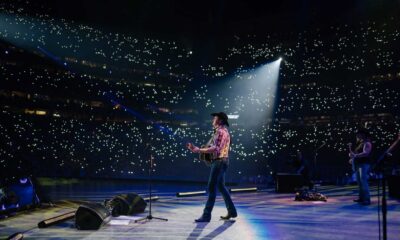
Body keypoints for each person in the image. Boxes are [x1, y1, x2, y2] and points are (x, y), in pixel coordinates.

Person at [187, 112, 237, 222]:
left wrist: (198, 150)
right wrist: (199, 149)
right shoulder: (226, 132)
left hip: (219, 162)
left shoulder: (219, 131)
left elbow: (216, 148)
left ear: (220, 120)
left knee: (211, 187)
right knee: (221, 187)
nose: (213, 120)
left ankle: (206, 215)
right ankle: (232, 211)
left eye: (215, 118)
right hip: (223, 161)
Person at [349, 129, 372, 205]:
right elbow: (357, 154)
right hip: (359, 164)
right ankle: (362, 197)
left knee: (363, 181)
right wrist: (352, 158)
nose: (357, 136)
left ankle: (367, 199)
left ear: (363, 135)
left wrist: (355, 156)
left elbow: (366, 153)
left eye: (359, 134)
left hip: (363, 164)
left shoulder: (367, 143)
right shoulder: (361, 143)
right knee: (359, 181)